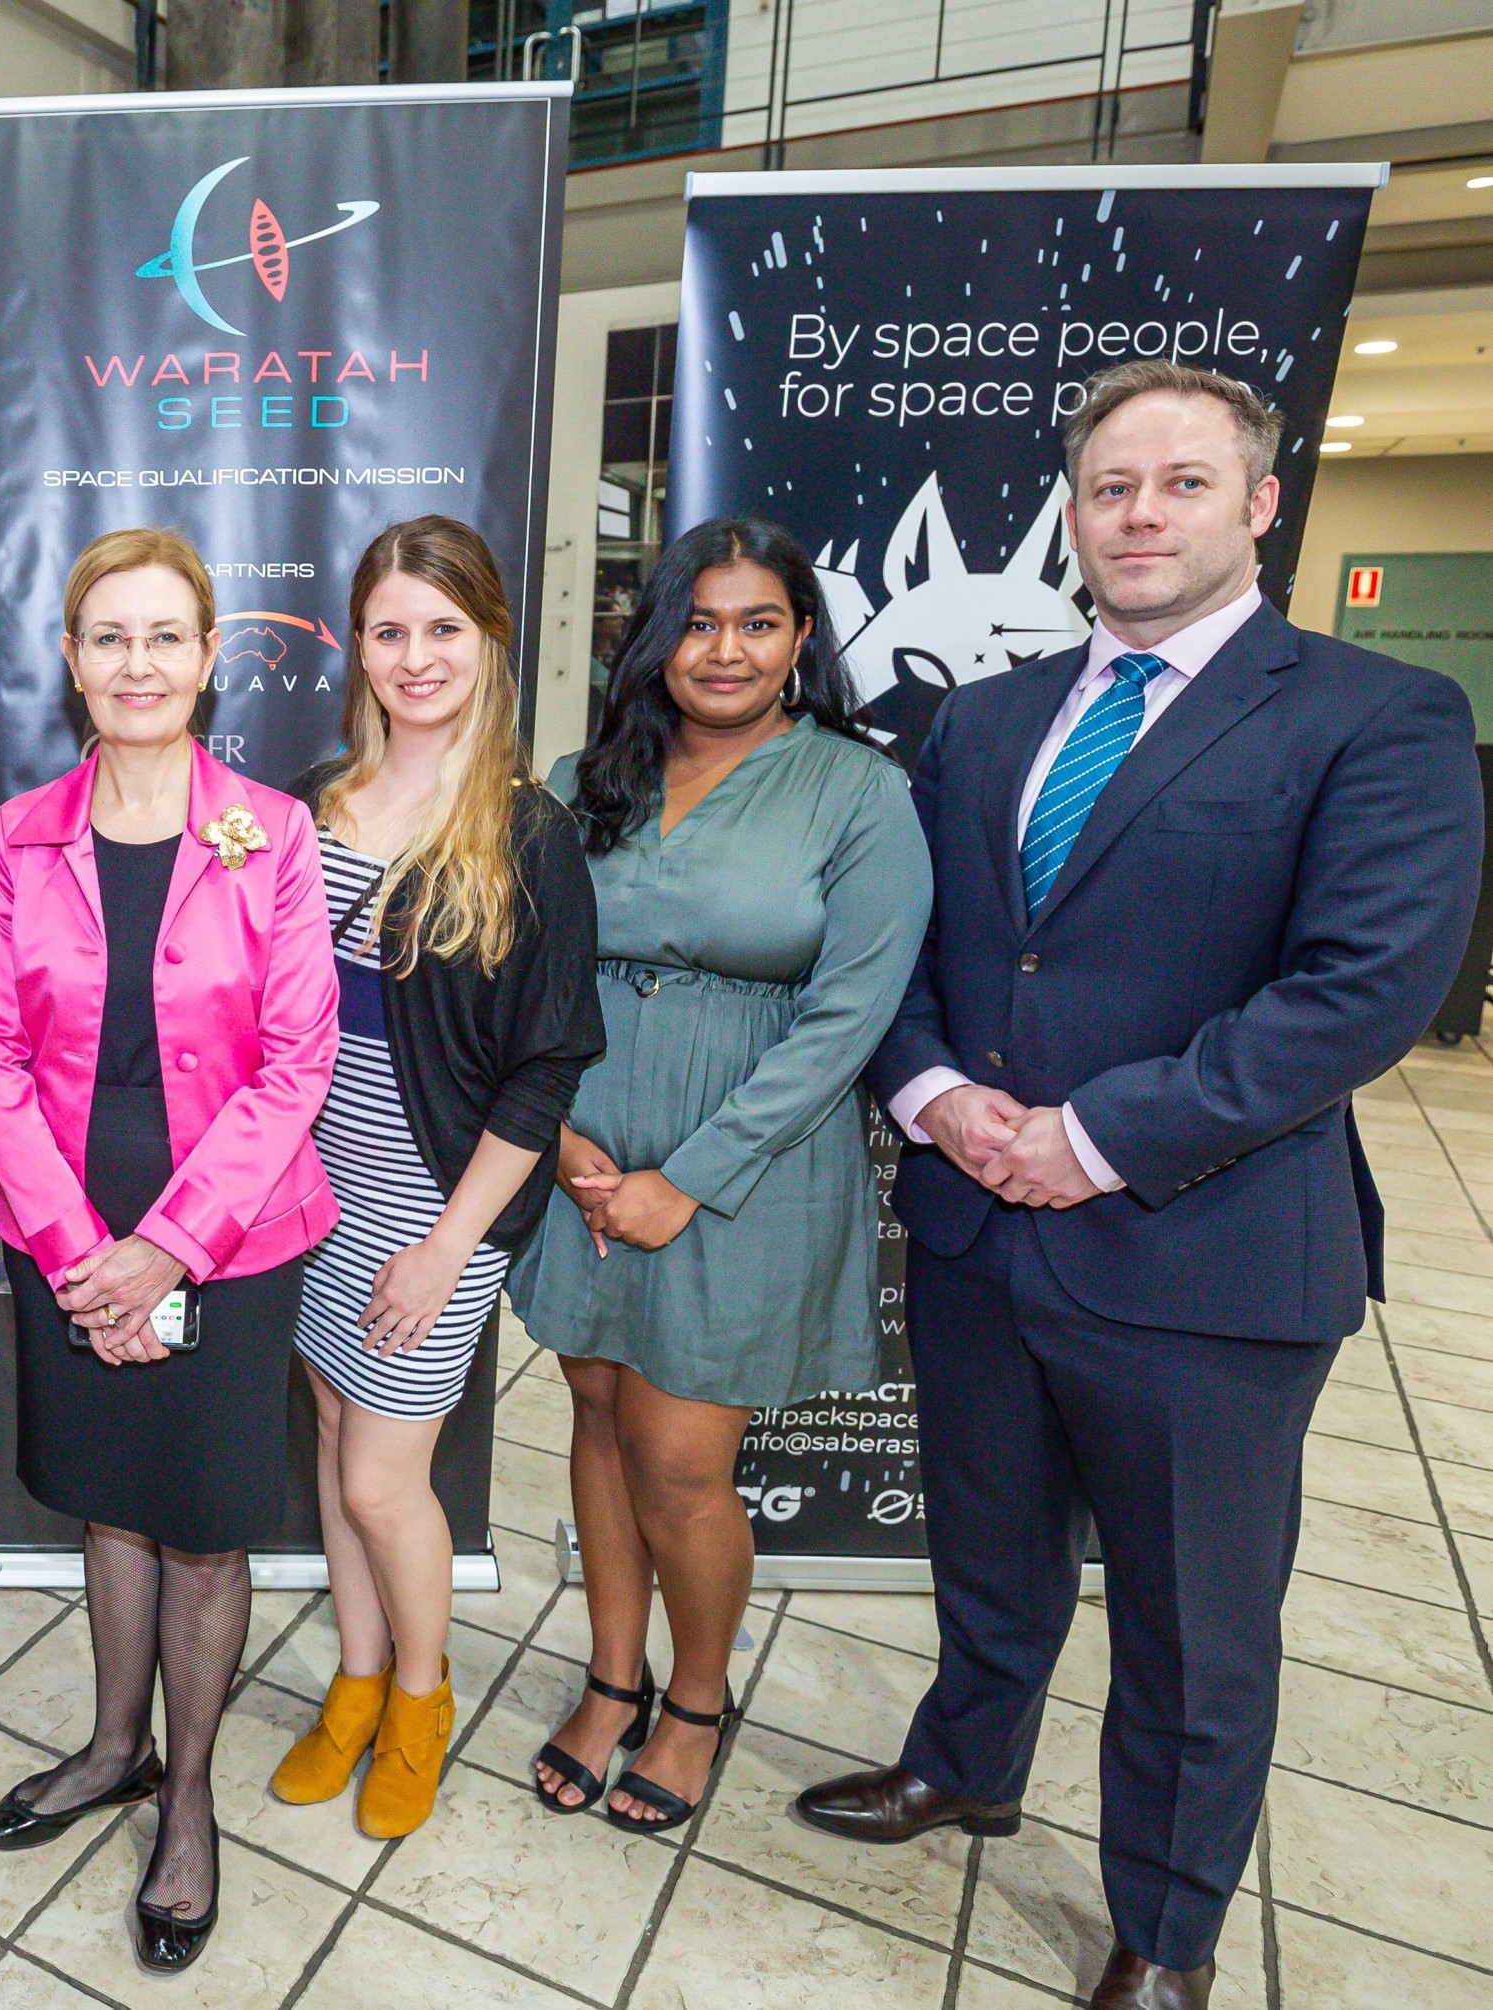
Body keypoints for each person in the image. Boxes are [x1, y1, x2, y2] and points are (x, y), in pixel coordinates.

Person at [796, 361, 1484, 2010]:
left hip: (1207, 1255)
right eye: (1111, 487)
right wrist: (946, 1096)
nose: (1142, 514)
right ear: (1074, 517)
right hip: (974, 1228)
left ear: (1258, 505)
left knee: (1192, 1626)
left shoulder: (1374, 717)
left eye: (1182, 483)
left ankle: (1166, 1933)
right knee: (989, 1544)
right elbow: (919, 946)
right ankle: (967, 1764)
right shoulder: (989, 716)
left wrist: (1086, 1137)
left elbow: (1357, 993)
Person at [508, 516, 930, 1835]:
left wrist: (685, 1177)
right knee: (592, 1412)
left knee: (681, 1457)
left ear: (803, 637)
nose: (726, 648)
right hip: (580, 1154)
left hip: (746, 1166)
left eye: (758, 621)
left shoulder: (861, 792)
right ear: (656, 639)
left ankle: (696, 1700)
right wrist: (561, 1130)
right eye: (698, 621)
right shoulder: (588, 776)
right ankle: (610, 1673)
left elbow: (851, 1017)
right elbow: (531, 964)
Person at [0, 526, 340, 1974]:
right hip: (64, 1206)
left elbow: (296, 1061)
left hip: (226, 1224)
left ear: (205, 660)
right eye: (107, 637)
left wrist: (168, 1248)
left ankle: (186, 1797)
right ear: (71, 660)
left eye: (163, 637)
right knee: (109, 1504)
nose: (136, 662)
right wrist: (79, 1246)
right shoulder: (19, 833)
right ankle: (113, 1744)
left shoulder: (271, 833)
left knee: (201, 1520)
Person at [271, 516, 603, 1840]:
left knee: (378, 1481)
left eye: (443, 629)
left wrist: (452, 1243)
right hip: (306, 1190)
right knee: (337, 1446)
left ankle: (421, 1692)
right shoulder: (308, 801)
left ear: (491, 642)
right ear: (357, 643)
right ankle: (355, 1679)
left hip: (428, 1204)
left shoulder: (528, 834)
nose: (416, 656)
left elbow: (545, 1068)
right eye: (390, 629)